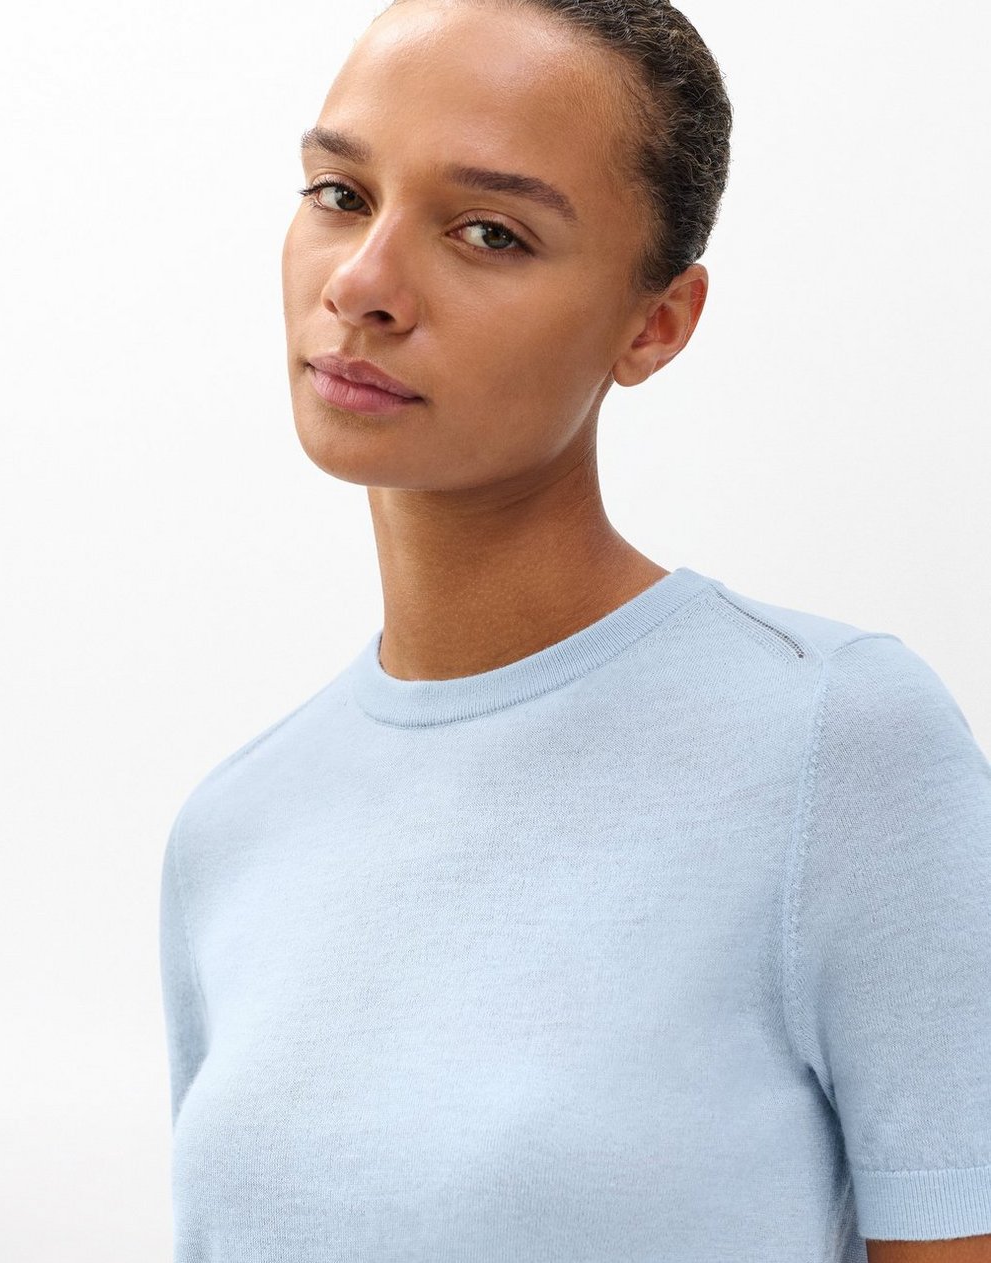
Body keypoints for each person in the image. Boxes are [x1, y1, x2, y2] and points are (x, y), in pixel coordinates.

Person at [159, 1, 991, 1260]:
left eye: (489, 232)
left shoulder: (836, 745)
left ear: (654, 323)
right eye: (339, 194)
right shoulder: (233, 830)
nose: (361, 285)